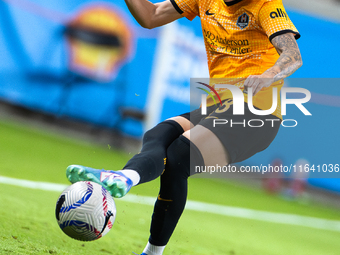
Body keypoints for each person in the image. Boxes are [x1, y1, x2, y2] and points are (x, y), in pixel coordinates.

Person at [66, 0, 302, 254]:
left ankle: (151, 248)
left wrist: (270, 74)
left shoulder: (266, 5)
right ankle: (125, 177)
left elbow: (293, 56)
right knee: (159, 134)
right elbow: (152, 15)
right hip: (220, 105)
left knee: (179, 155)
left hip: (257, 112)